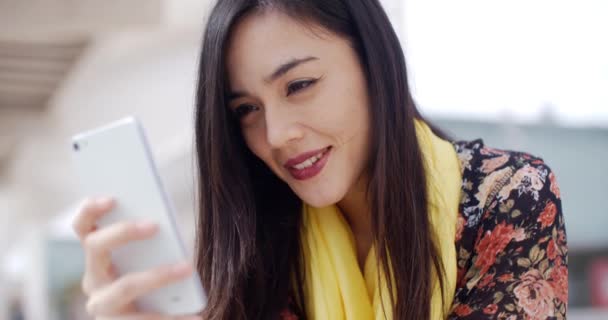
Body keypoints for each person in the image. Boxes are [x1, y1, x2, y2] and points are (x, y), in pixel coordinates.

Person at [72, 0, 568, 319]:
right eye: (246, 110)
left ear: (374, 64)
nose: (276, 135)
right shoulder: (258, 249)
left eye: (300, 85)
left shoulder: (509, 196)